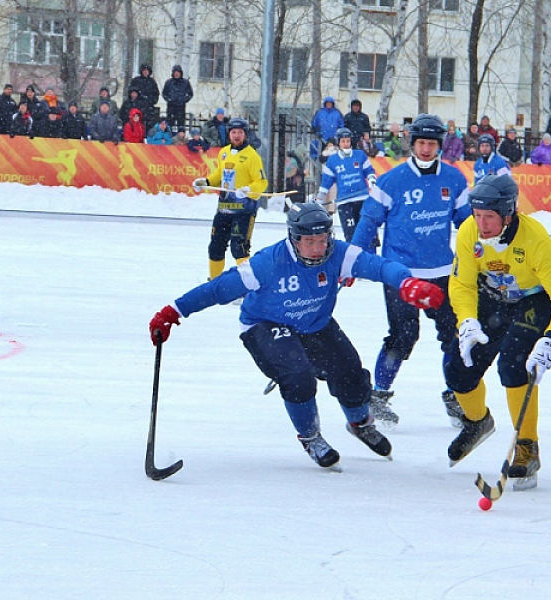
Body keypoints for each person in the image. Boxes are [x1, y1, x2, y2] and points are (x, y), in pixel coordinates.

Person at [148, 202, 445, 468]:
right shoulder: (268, 263)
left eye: (322, 240)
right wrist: (173, 312)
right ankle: (311, 436)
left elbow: (379, 266)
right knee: (298, 376)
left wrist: (406, 283)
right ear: (294, 238)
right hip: (264, 325)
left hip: (314, 324)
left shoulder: (338, 253)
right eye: (309, 242)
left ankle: (359, 423)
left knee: (351, 373)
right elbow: (217, 289)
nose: (318, 248)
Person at [442, 174, 551, 491]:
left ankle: (527, 446)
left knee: (514, 365)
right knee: (457, 367)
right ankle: (477, 421)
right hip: (490, 298)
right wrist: (466, 320)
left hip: (532, 301)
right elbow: (461, 283)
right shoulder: (469, 232)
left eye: (489, 217)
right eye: (477, 215)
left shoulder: (536, 241)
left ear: (508, 214)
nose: (481, 224)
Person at [351, 114, 472, 429]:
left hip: (442, 272)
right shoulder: (392, 180)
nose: (426, 149)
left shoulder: (454, 179)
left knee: (454, 334)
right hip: (400, 273)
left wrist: (484, 251)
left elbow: (468, 223)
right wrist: (352, 259)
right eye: (421, 143)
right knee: (404, 336)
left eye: (432, 143)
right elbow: (369, 220)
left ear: (439, 145)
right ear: (413, 144)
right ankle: (379, 395)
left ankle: (456, 395)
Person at [191, 118, 268, 280]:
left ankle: (246, 284)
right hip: (224, 208)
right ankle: (215, 283)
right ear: (228, 134)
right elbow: (220, 174)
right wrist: (206, 182)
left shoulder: (252, 156)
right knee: (215, 246)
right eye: (233, 132)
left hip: (244, 210)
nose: (237, 135)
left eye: (240, 132)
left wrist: (248, 189)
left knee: (239, 248)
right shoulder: (224, 152)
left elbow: (262, 182)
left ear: (245, 134)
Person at [316, 127, 377, 243]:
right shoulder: (332, 160)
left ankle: (369, 253)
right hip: (345, 203)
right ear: (338, 143)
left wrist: (371, 179)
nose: (346, 144)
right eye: (343, 141)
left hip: (362, 199)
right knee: (351, 235)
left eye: (348, 141)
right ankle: (353, 253)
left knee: (368, 233)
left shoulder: (360, 155)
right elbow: (326, 181)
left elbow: (369, 170)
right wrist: (320, 197)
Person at [161, 64, 193, 129]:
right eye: (175, 72)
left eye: (178, 72)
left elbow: (190, 94)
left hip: (181, 108)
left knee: (181, 127)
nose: (176, 74)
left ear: (181, 73)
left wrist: (184, 100)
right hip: (171, 108)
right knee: (169, 127)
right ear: (173, 73)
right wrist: (169, 99)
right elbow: (164, 93)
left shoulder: (185, 82)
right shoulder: (168, 82)